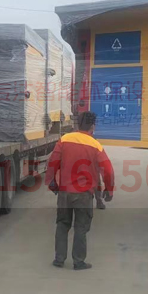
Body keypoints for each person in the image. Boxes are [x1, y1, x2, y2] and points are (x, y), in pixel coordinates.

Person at [45, 111, 115, 270]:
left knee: (62, 224)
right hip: (84, 194)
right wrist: (109, 189)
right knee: (81, 227)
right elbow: (108, 171)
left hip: (65, 192)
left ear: (77, 124)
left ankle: (59, 259)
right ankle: (78, 261)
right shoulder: (95, 145)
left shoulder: (64, 139)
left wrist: (51, 182)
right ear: (93, 126)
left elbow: (52, 162)